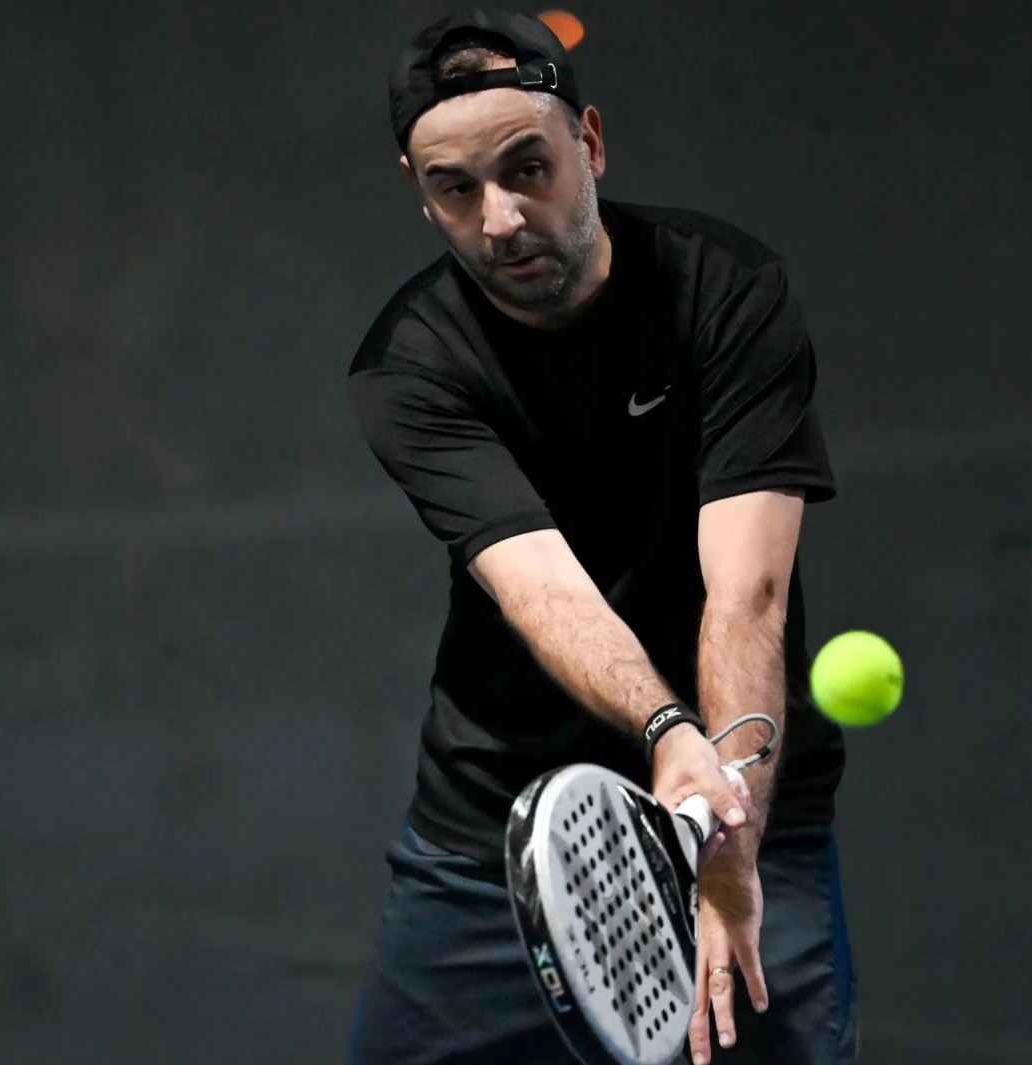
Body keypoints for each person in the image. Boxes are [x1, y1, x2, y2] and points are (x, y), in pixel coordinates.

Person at [346, 9, 858, 1064]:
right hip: (497, 844)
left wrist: (726, 835)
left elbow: (749, 594)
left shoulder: (723, 291)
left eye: (526, 168)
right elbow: (544, 590)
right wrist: (666, 730)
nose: (500, 219)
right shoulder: (411, 365)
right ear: (419, 191)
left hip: (746, 814)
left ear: (589, 142)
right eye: (455, 189)